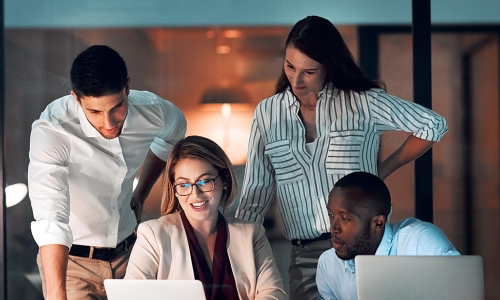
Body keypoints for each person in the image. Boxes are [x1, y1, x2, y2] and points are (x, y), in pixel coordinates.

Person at [235, 15, 448, 299]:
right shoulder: (267, 112)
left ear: (328, 66)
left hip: (364, 248)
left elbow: (433, 125)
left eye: (308, 71)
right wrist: (236, 256)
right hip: (304, 257)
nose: (296, 80)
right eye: (289, 66)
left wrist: (381, 172)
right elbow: (255, 194)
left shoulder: (364, 102)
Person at [28, 45, 187, 300]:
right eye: (95, 112)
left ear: (127, 87)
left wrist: (141, 193)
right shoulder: (52, 131)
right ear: (76, 98)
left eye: (117, 107)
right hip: (72, 266)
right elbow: (51, 219)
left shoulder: (153, 110)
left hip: (131, 258)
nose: (109, 122)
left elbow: (174, 132)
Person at [124, 135, 288, 300]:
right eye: (184, 185)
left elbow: (274, 293)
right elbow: (131, 297)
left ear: (224, 179)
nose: (195, 194)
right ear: (174, 189)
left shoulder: (252, 233)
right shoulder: (153, 235)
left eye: (204, 182)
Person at [316, 171, 460, 299]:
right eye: (331, 215)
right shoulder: (328, 264)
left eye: (345, 218)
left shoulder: (420, 242)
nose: (333, 228)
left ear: (378, 223)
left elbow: (461, 292)